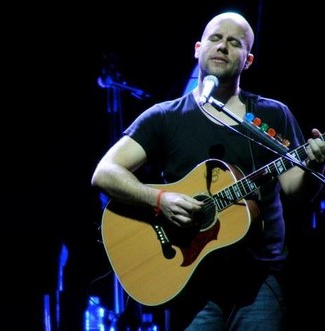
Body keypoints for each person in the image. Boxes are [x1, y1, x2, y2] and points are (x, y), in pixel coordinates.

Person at [91, 11, 324, 331]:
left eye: (234, 43)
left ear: (248, 60)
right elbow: (105, 172)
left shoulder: (272, 114)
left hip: (260, 283)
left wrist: (313, 164)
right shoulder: (164, 117)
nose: (223, 47)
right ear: (198, 48)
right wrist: (161, 200)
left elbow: (295, 190)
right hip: (189, 280)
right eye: (215, 39)